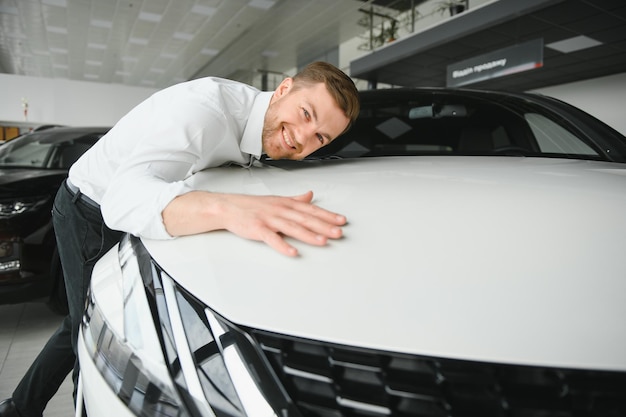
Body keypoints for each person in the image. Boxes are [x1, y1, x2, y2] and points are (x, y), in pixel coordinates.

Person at [0, 61, 360, 417]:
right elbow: (122, 201)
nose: (302, 137)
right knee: (92, 332)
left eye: (320, 137)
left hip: (122, 208)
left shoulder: (258, 120)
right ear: (283, 89)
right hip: (88, 207)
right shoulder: (204, 114)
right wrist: (230, 210)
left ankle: (18, 408)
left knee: (81, 315)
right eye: (305, 113)